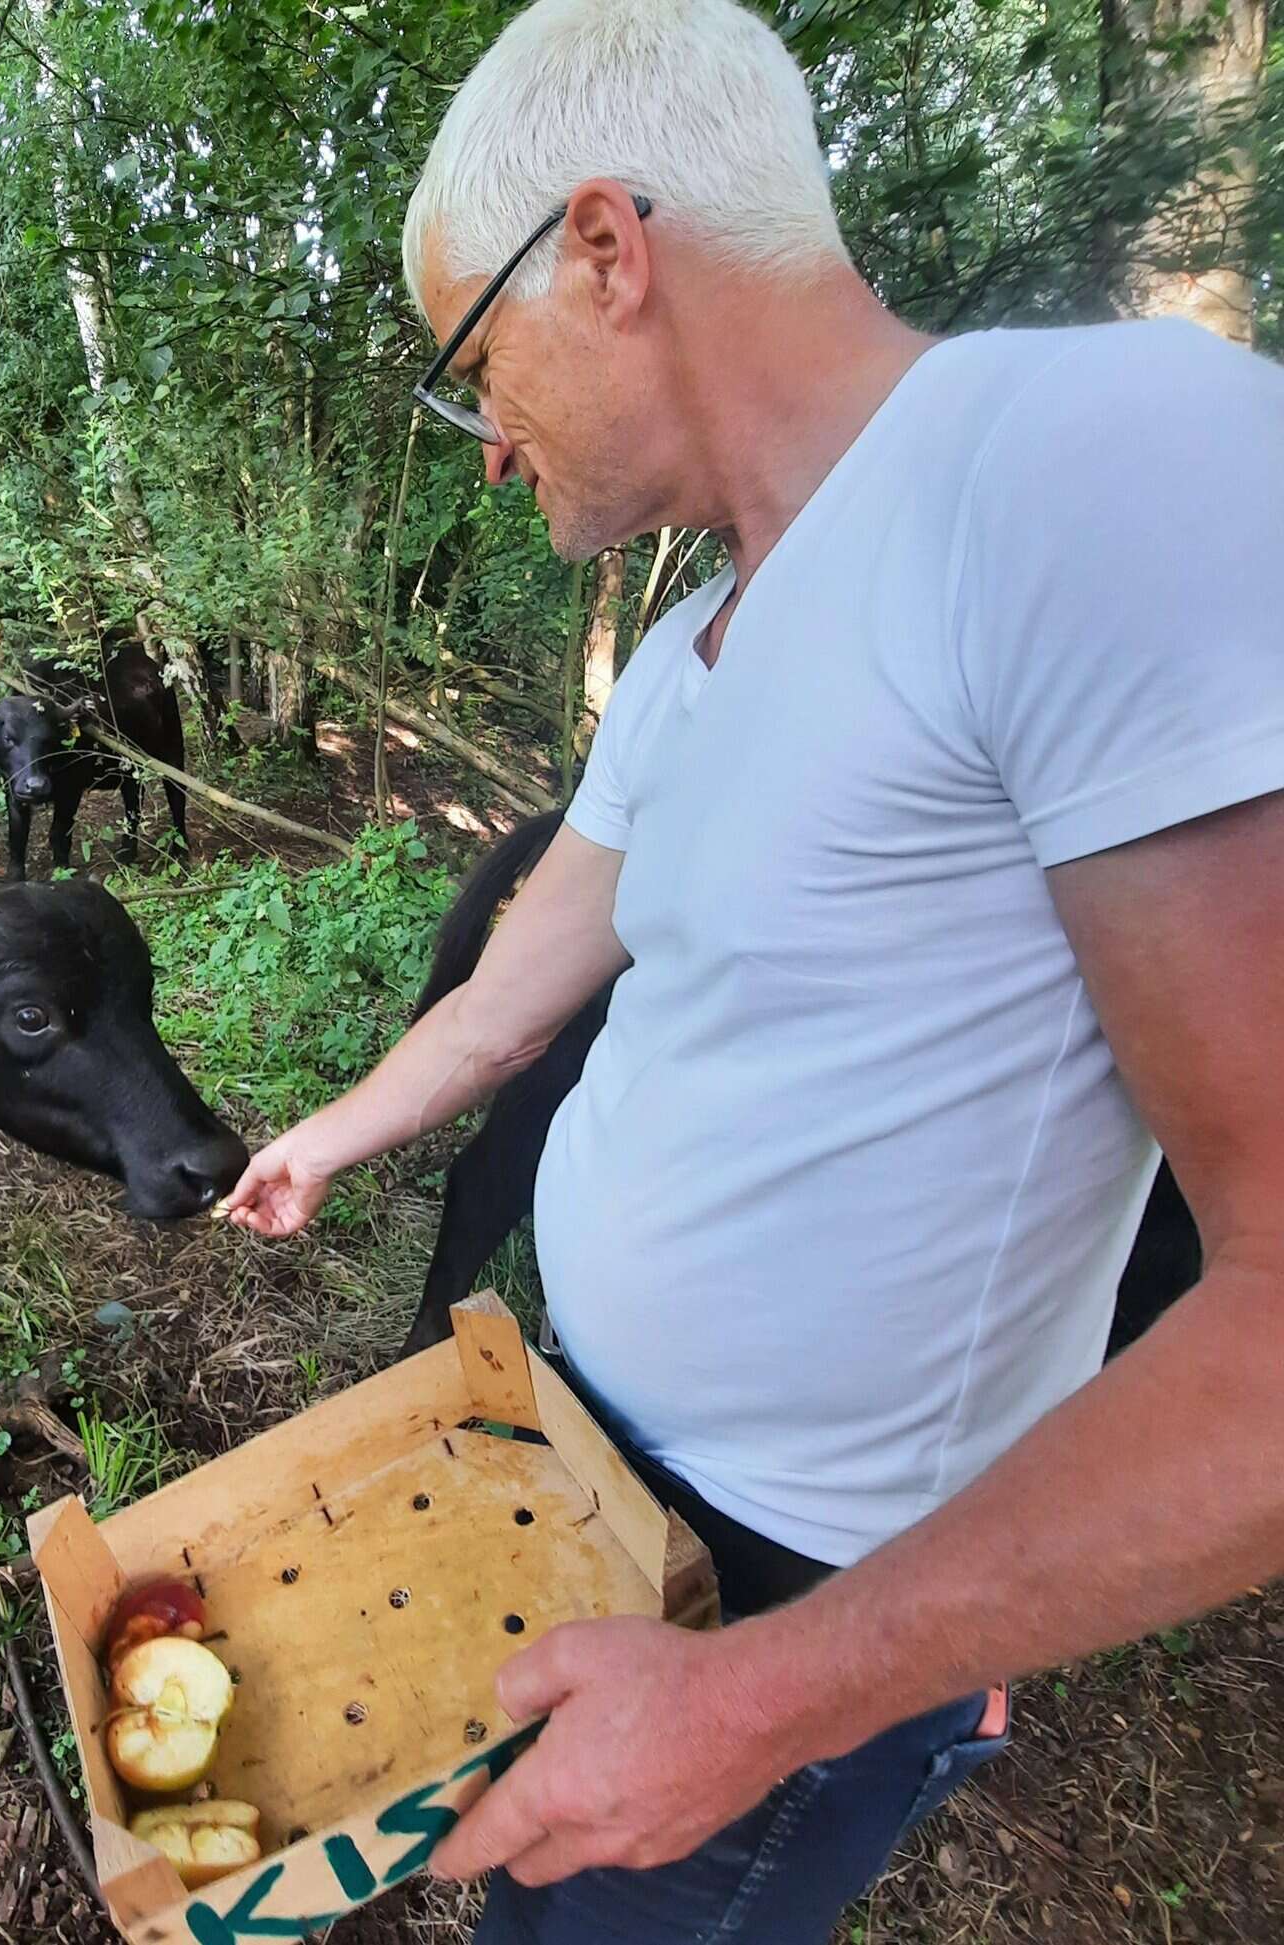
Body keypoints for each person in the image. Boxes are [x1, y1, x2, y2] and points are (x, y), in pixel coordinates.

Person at [216, 0, 1284, 1938]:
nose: (483, 451)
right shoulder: (706, 641)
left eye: (476, 366)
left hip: (792, 1598)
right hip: (569, 1476)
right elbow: (513, 991)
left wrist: (745, 1705)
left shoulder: (1085, 466)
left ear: (609, 254)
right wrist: (327, 1135)